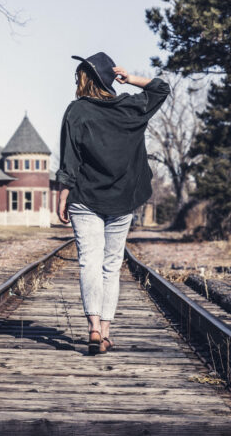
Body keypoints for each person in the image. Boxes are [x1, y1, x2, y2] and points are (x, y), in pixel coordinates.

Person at [56, 52, 170, 354]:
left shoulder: (77, 111)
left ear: (85, 79)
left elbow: (70, 157)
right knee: (111, 266)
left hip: (85, 198)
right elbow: (161, 88)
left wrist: (62, 193)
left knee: (89, 263)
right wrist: (131, 78)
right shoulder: (131, 107)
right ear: (109, 79)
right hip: (122, 199)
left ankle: (92, 327)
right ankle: (105, 331)